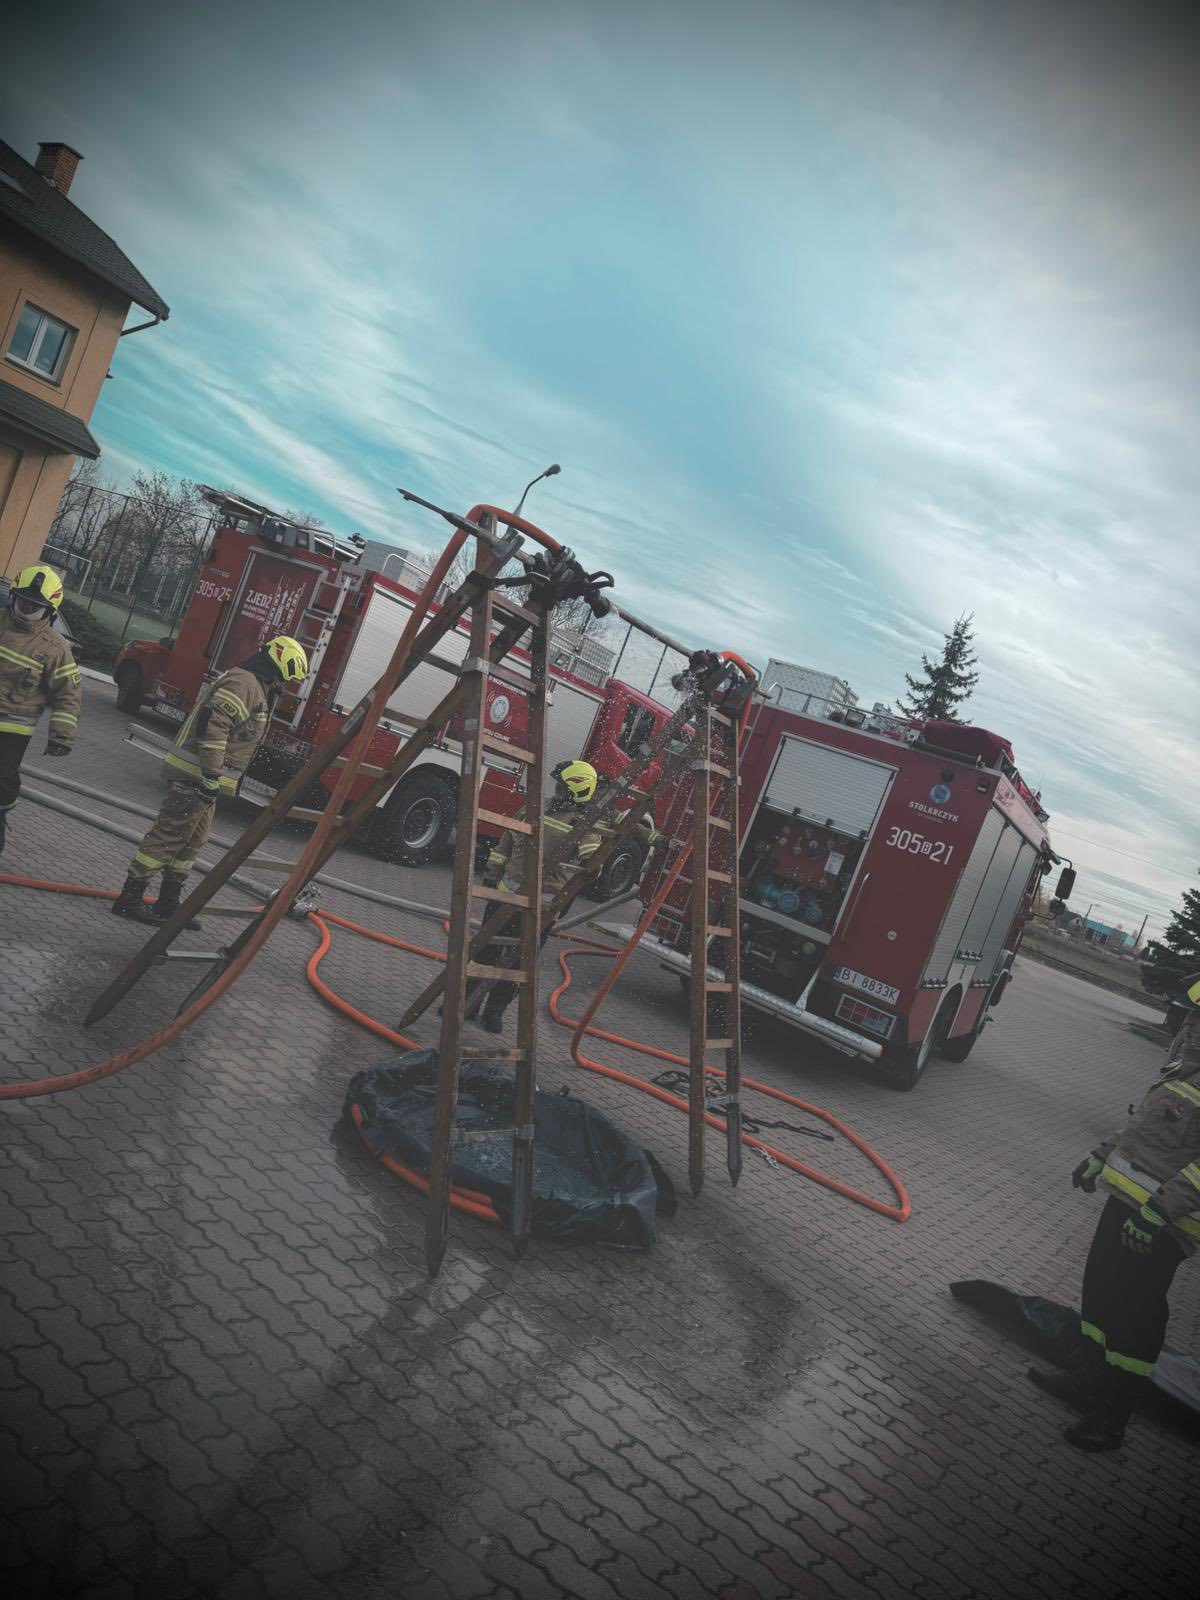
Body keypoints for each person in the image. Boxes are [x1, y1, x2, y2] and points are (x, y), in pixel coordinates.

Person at [1030, 973, 1200, 1451]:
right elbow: (1142, 1128)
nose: (1188, 1023)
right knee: (1102, 1292)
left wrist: (1157, 1213)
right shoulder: (1183, 1068)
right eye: (1191, 1015)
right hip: (1126, 1205)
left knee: (1134, 1314)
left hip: (1161, 1224)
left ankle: (1112, 1417)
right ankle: (1086, 1380)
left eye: (1197, 1017)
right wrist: (1101, 1155)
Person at [111, 636, 307, 924]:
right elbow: (214, 728)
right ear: (278, 667)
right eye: (285, 678)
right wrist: (212, 775)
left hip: (203, 779)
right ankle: (130, 899)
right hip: (196, 776)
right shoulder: (245, 685)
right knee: (169, 836)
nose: (284, 685)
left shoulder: (254, 686)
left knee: (192, 841)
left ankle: (168, 903)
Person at [470, 759, 604, 1033]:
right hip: (505, 897)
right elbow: (508, 839)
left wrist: (593, 865)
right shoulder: (535, 807)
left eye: (562, 787)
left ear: (577, 790)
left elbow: (591, 861)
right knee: (484, 953)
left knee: (520, 962)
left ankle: (495, 1011)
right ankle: (468, 1003)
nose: (557, 790)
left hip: (541, 908)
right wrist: (493, 871)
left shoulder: (584, 824)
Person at [0, 565, 81, 855]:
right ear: (15, 596)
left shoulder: (56, 647)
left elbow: (68, 694)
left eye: (34, 605)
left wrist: (62, 735)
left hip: (13, 727)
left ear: (49, 609)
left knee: (2, 780)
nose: (27, 608)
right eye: (24, 601)